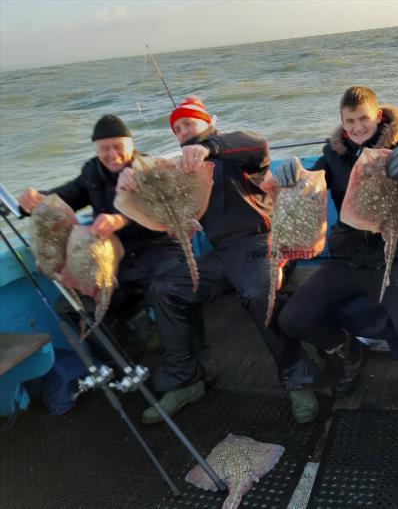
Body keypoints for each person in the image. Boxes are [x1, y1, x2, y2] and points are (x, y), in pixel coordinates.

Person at [117, 96, 316, 425]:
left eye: (189, 123)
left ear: (209, 121)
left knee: (256, 294)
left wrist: (211, 147)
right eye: (177, 128)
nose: (183, 132)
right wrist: (129, 178)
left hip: (262, 243)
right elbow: (151, 180)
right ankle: (187, 381)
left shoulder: (233, 152)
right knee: (166, 288)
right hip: (221, 253)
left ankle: (297, 380)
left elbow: (256, 146)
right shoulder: (183, 166)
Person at [276, 86, 398, 397]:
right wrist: (293, 172)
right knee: (292, 318)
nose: (357, 127)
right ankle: (347, 352)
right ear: (342, 122)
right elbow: (310, 182)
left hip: (397, 252)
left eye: (363, 118)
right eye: (350, 121)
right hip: (347, 256)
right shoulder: (334, 155)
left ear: (377, 115)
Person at [18, 115, 184, 357]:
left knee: (166, 290)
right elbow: (66, 197)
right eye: (104, 149)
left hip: (158, 248)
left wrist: (121, 219)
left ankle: (187, 365)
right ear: (96, 149)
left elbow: (157, 211)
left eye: (118, 146)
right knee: (73, 306)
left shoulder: (148, 167)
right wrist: (34, 201)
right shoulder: (92, 171)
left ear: (131, 145)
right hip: (112, 258)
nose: (112, 154)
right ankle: (126, 357)